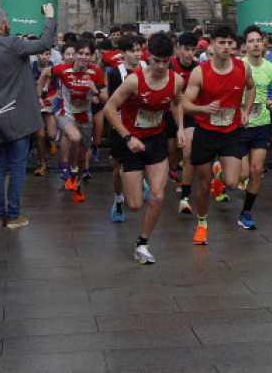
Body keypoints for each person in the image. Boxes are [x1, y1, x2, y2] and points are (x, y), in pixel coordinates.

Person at [0, 6, 57, 229]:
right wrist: (49, 17)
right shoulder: (13, 44)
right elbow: (44, 44)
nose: (9, 24)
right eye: (7, 21)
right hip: (20, 115)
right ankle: (14, 215)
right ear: (2, 25)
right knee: (17, 167)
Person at [104, 33, 185, 264]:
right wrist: (127, 137)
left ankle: (142, 244)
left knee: (158, 197)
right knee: (134, 205)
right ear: (148, 56)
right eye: (156, 60)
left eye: (165, 61)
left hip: (156, 140)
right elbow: (110, 108)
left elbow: (177, 102)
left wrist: (179, 128)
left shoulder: (176, 80)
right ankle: (125, 178)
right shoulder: (133, 80)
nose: (160, 66)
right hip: (132, 142)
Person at [182, 26, 256, 245]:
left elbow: (250, 89)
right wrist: (203, 109)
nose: (226, 47)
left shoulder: (243, 68)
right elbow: (185, 103)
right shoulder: (200, 72)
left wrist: (246, 110)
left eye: (230, 43)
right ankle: (202, 223)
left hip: (231, 132)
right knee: (203, 185)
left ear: (236, 45)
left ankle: (219, 173)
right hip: (205, 132)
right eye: (221, 42)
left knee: (233, 183)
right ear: (212, 44)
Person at [37, 39, 106, 189]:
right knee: (74, 137)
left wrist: (95, 90)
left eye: (87, 54)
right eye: (80, 53)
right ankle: (71, 168)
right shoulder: (63, 69)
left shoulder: (95, 73)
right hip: (65, 113)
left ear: (92, 56)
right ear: (74, 55)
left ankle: (77, 182)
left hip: (85, 117)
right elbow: (44, 74)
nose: (83, 57)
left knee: (82, 156)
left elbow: (105, 98)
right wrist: (39, 97)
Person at [236, 26, 272, 230]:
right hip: (240, 126)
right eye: (251, 41)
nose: (255, 44)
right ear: (244, 45)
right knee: (242, 175)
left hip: (262, 124)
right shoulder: (238, 66)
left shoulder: (271, 68)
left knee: (256, 172)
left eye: (258, 41)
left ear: (264, 44)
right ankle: (220, 174)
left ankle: (246, 212)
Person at [104, 34, 147, 222]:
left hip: (145, 123)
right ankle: (118, 199)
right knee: (117, 165)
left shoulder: (148, 68)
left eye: (139, 50)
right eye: (132, 51)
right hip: (122, 124)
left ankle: (139, 180)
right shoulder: (116, 73)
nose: (137, 54)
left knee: (146, 159)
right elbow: (114, 104)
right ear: (123, 53)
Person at [170, 33, 200, 214]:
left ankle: (185, 198)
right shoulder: (169, 65)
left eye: (193, 50)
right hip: (167, 112)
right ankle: (171, 170)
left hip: (188, 113)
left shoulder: (198, 68)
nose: (189, 53)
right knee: (172, 152)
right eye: (186, 49)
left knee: (188, 152)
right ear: (178, 49)